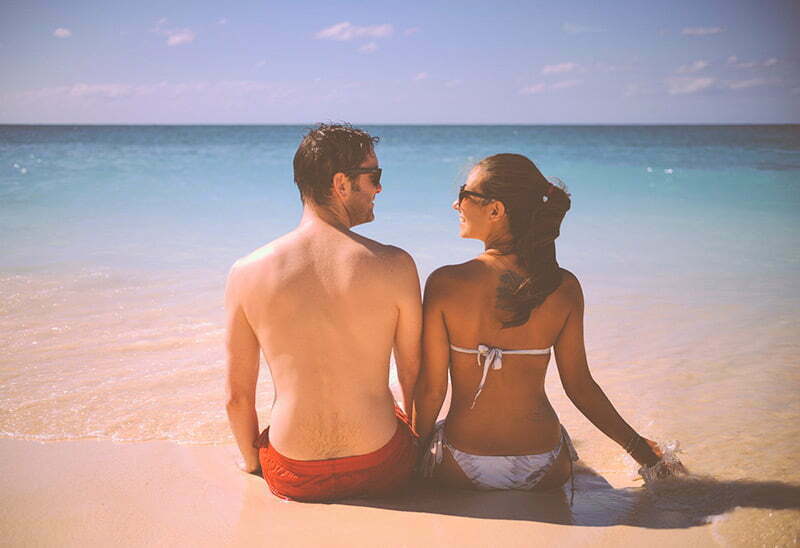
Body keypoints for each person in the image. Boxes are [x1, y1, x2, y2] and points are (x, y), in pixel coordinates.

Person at [413, 153, 662, 498]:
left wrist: (408, 464)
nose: (456, 204)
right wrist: (642, 451)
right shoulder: (562, 286)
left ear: (496, 210)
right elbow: (580, 387)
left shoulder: (446, 283)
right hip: (544, 465)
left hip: (461, 463)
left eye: (464, 194)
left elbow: (431, 390)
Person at [225, 123, 422, 502]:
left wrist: (252, 462)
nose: (379, 188)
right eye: (374, 176)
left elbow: (237, 396)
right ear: (341, 184)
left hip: (292, 471)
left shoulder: (245, 272)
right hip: (380, 464)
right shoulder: (395, 264)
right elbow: (413, 374)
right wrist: (416, 448)